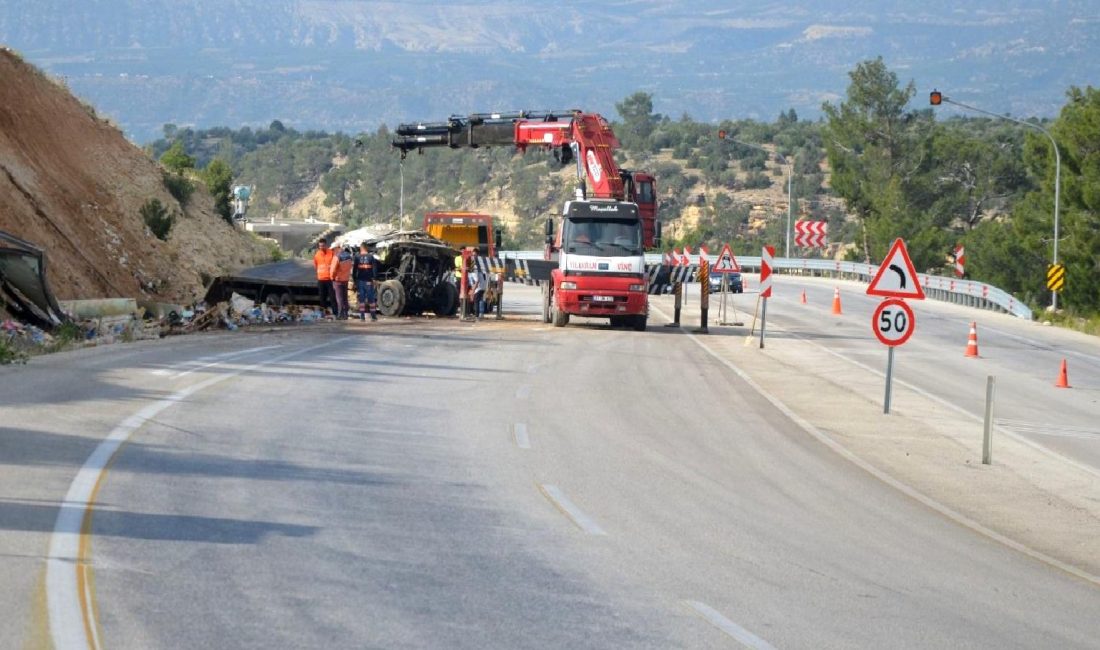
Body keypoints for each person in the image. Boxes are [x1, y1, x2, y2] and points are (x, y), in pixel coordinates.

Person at [353, 242, 379, 321]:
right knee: (371, 299)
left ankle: (362, 317)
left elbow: (354, 270)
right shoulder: (371, 257)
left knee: (362, 299)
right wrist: (374, 278)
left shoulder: (357, 257)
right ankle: (373, 316)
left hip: (360, 281)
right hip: (368, 281)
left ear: (361, 248)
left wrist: (354, 280)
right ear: (366, 248)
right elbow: (374, 269)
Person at [330, 245, 354, 320]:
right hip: (345, 279)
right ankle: (346, 314)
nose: (332, 251)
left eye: (333, 249)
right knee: (345, 298)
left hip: (338, 280)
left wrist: (332, 277)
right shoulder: (348, 256)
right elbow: (350, 267)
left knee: (339, 298)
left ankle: (340, 314)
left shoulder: (337, 257)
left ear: (337, 248)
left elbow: (333, 270)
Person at [313, 239, 335, 315]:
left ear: (326, 245)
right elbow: (316, 266)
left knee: (332, 297)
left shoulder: (331, 253)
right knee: (322, 298)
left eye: (322, 245)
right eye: (320, 246)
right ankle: (323, 313)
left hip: (330, 279)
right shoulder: (317, 254)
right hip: (321, 279)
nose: (321, 247)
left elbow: (335, 264)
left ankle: (335, 313)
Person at [467, 252, 487, 320]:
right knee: (476, 300)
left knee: (476, 301)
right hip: (481, 287)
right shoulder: (475, 269)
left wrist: (473, 291)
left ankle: (476, 316)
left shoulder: (474, 270)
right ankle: (476, 315)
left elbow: (477, 281)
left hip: (479, 288)